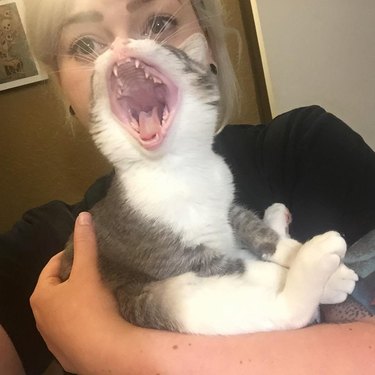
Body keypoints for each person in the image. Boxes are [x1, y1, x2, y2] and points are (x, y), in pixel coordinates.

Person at [1, 0, 374, 374]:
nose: (122, 50)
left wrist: (116, 352)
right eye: (85, 44)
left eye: (159, 22)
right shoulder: (41, 242)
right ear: (63, 83)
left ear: (206, 44)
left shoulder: (305, 145)